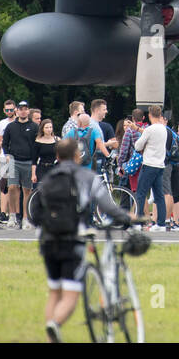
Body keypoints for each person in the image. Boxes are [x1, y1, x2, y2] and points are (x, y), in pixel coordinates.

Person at [36, 138, 135, 342]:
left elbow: (34, 214)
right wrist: (126, 218)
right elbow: (107, 206)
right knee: (71, 294)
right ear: (77, 156)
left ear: (57, 157)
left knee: (54, 292)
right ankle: (55, 324)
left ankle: (49, 337)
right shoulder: (86, 176)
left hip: (48, 241)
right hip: (72, 240)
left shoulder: (47, 179)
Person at [4, 101, 40, 229]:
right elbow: (4, 143)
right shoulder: (10, 126)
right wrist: (7, 154)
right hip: (14, 160)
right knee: (12, 188)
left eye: (25, 109)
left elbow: (38, 144)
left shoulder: (34, 127)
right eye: (21, 109)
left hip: (29, 161)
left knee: (27, 190)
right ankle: (12, 216)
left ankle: (25, 218)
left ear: (28, 111)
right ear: (17, 111)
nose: (23, 111)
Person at [133, 105, 169, 231]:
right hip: (160, 165)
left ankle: (138, 222)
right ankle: (161, 224)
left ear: (149, 115)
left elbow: (138, 146)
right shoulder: (163, 129)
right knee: (159, 195)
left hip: (149, 164)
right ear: (160, 115)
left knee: (141, 193)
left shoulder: (149, 129)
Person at [34, 119, 59, 185]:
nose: (49, 129)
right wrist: (33, 174)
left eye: (50, 127)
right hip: (42, 168)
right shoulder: (38, 141)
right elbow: (34, 159)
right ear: (42, 129)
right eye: (47, 127)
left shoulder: (57, 140)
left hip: (54, 167)